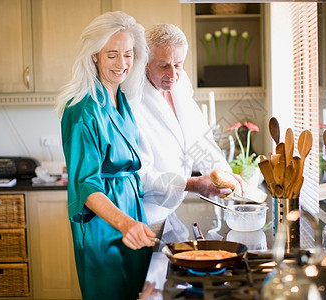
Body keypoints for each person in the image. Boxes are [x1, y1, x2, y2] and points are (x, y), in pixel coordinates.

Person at [55, 11, 156, 299]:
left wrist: (134, 220)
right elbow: (86, 185)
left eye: (128, 54)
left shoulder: (121, 99)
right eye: (112, 55)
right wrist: (125, 223)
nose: (122, 64)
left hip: (133, 214)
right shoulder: (82, 109)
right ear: (95, 55)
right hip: (104, 224)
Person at [132, 23, 248, 237]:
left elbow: (200, 139)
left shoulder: (181, 85)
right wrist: (193, 184)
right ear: (145, 63)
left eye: (178, 64)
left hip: (171, 209)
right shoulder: (132, 100)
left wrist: (225, 175)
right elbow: (139, 177)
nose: (173, 74)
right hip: (144, 215)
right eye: (163, 65)